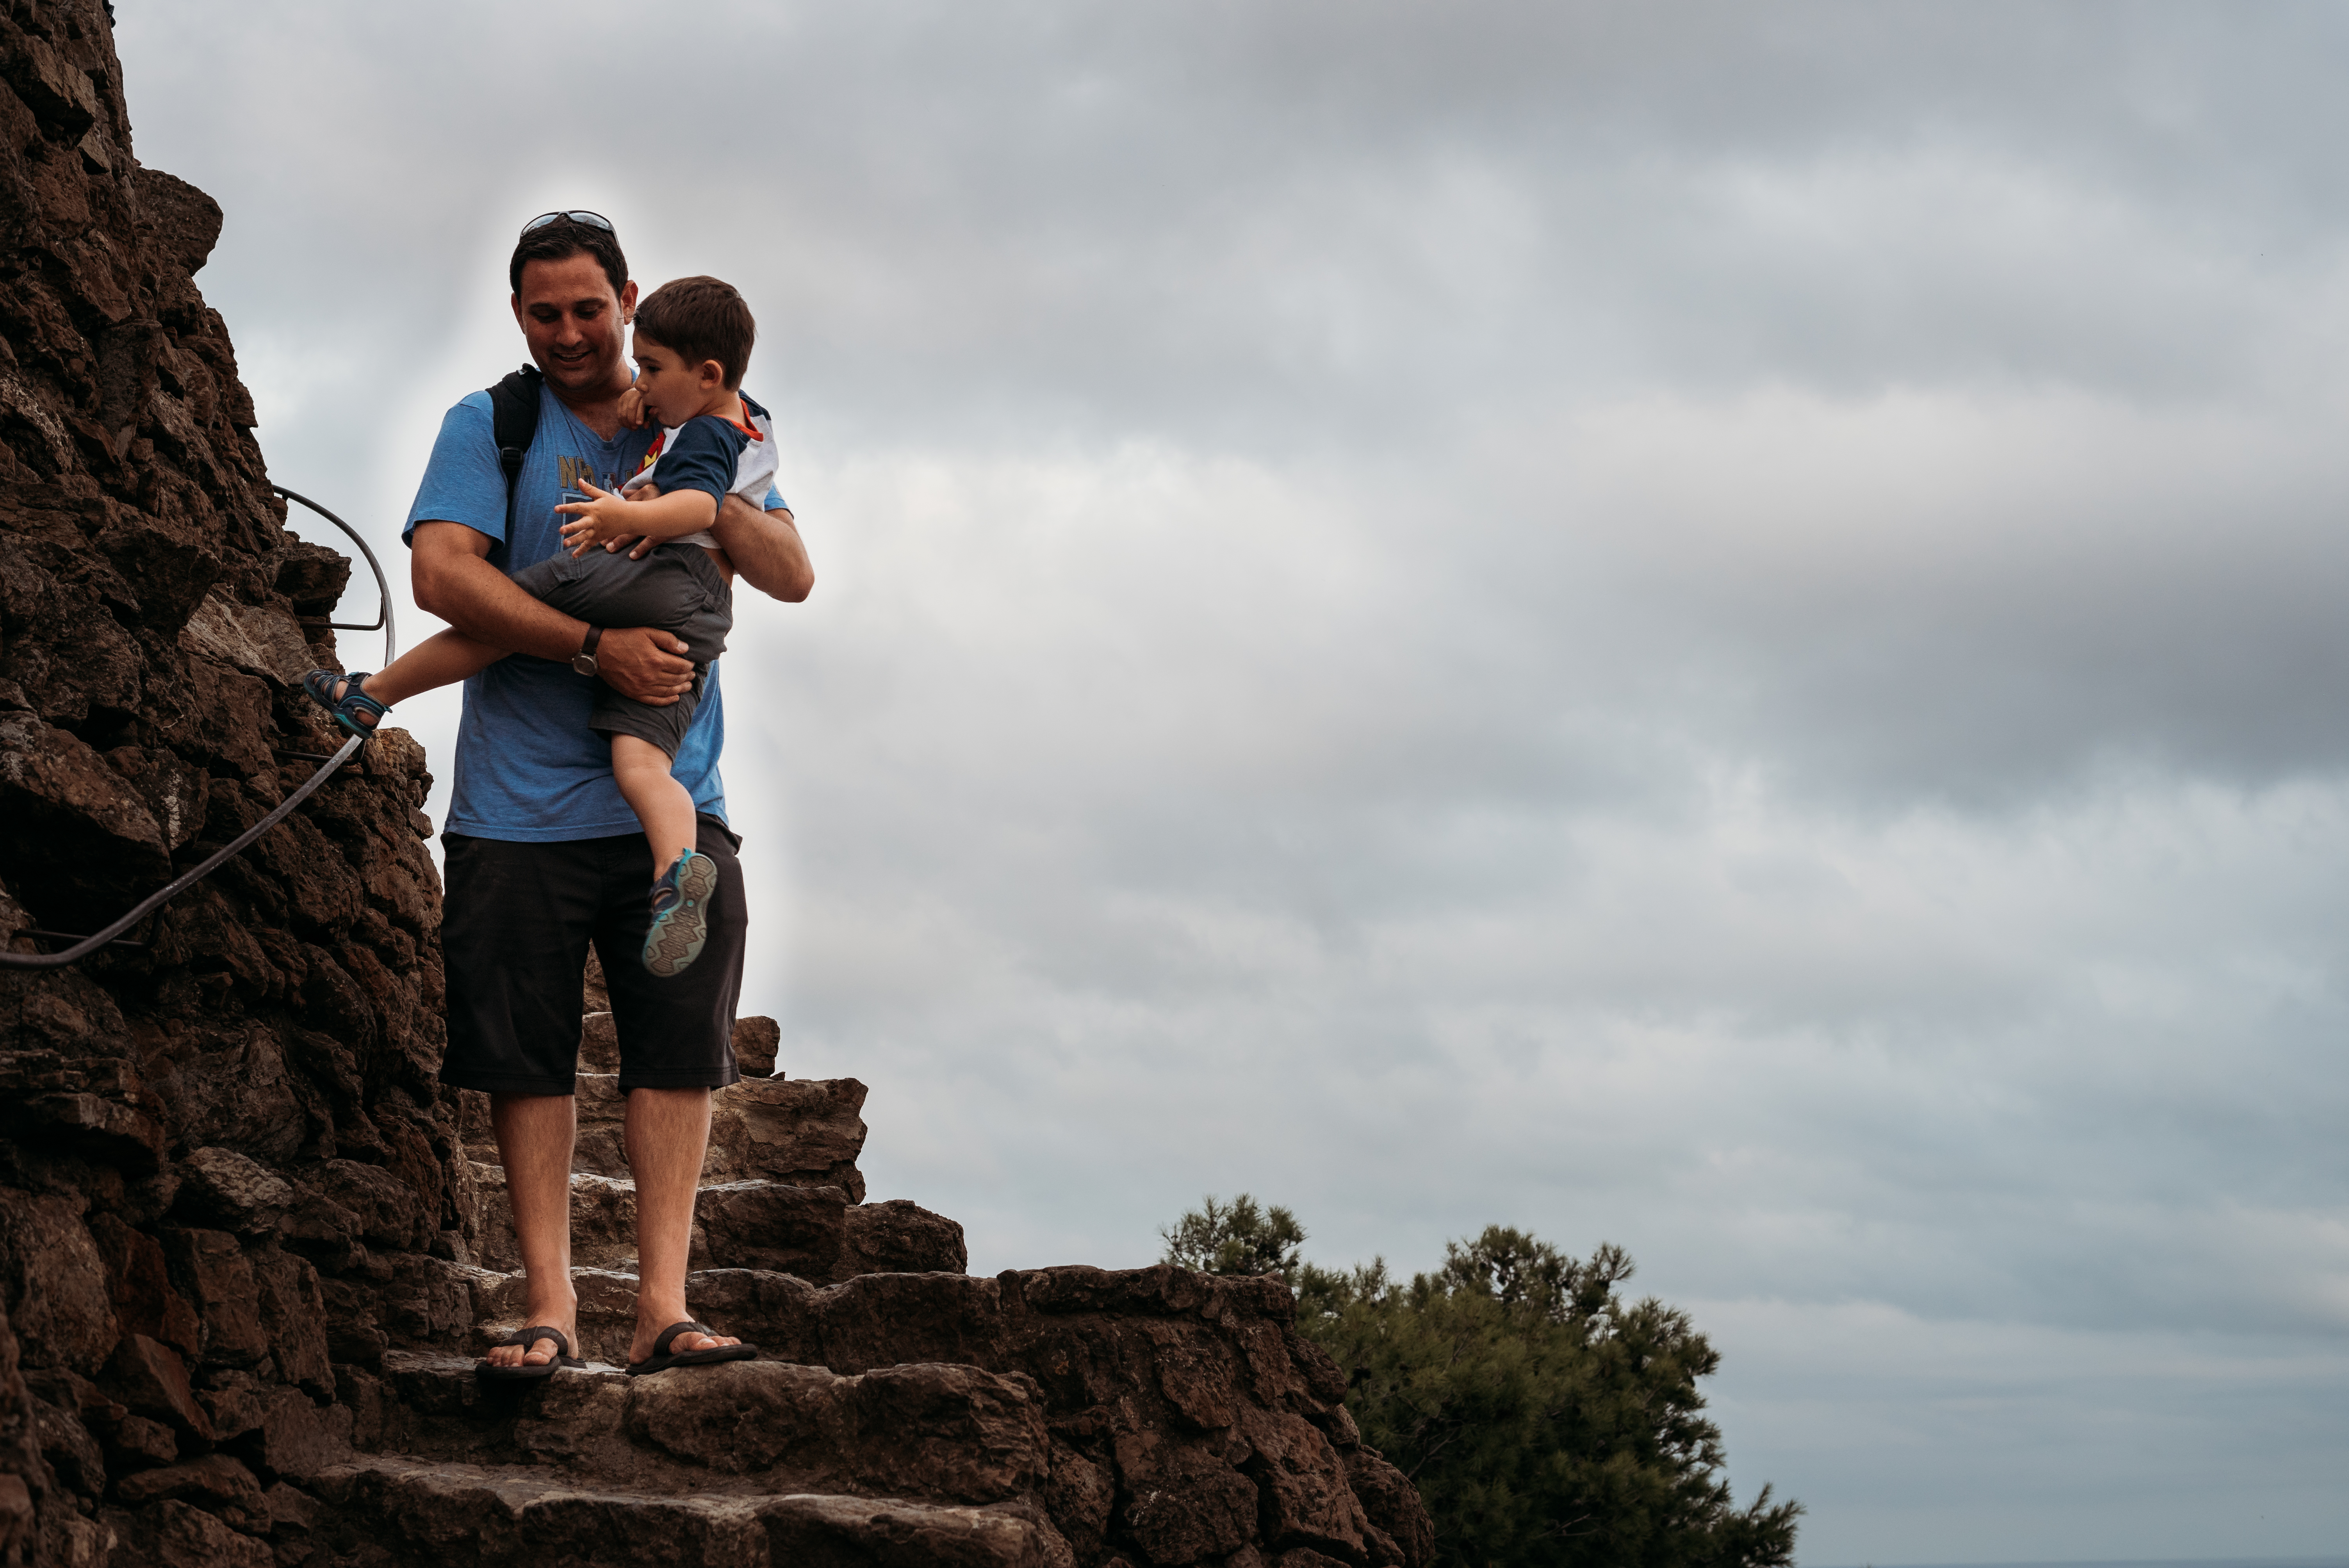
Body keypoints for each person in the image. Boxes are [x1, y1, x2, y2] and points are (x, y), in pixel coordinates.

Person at [390, 211, 811, 1379]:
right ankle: (549, 1306)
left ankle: (663, 1310)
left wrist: (697, 486)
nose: (570, 331)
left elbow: (791, 574)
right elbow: (440, 576)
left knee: (679, 1050)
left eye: (589, 307)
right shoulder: (493, 425)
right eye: (544, 312)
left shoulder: (707, 424)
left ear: (629, 300)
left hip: (674, 793)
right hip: (515, 813)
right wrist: (591, 649)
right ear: (518, 316)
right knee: (524, 1061)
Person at [303, 274, 775, 980]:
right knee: (642, 763)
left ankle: (370, 696)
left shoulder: (705, 432)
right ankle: (678, 870)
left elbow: (703, 510)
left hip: (662, 578)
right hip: (701, 625)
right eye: (546, 313)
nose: (641, 382)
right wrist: (647, 401)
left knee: (506, 607)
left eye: (651, 368)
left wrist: (627, 517)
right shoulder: (747, 420)